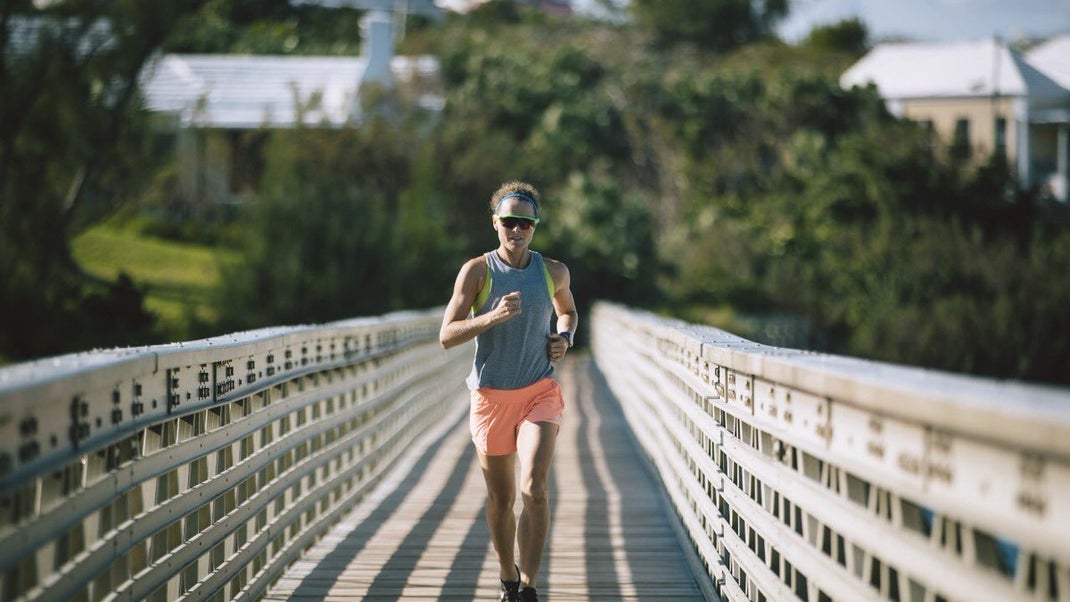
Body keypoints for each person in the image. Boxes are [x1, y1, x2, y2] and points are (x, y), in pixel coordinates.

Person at [439, 180, 578, 602]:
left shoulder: (553, 271)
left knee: (534, 489)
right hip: (491, 398)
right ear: (495, 223)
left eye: (525, 223)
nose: (517, 230)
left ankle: (530, 587)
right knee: (501, 500)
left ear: (535, 226)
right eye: (509, 222)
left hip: (539, 391)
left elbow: (568, 311)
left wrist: (565, 337)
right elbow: (446, 335)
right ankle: (508, 576)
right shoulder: (477, 271)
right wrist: (491, 317)